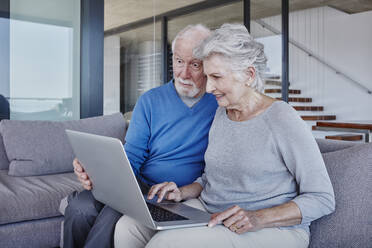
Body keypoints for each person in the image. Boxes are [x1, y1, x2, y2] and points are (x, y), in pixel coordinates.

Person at [114, 23, 335, 248]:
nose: (209, 88)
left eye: (217, 77)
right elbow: (210, 179)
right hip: (211, 211)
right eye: (207, 77)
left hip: (268, 227)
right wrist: (181, 192)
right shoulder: (222, 112)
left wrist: (258, 217)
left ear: (248, 75)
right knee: (128, 227)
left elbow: (322, 198)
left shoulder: (282, 118)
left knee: (165, 244)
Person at [63, 24, 218, 248]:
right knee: (79, 209)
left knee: (111, 217)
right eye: (178, 61)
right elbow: (132, 155)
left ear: (208, 66)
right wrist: (99, 174)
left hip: (169, 192)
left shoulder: (219, 105)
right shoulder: (150, 100)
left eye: (194, 64)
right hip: (136, 182)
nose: (183, 73)